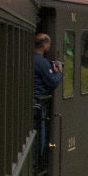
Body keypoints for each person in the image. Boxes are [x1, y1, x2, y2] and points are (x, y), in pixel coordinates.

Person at [33, 32, 62, 164]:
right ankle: (35, 165)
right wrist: (59, 72)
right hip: (38, 104)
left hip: (30, 103)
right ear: (44, 45)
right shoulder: (42, 62)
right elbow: (53, 82)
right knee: (39, 137)